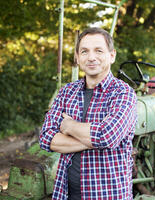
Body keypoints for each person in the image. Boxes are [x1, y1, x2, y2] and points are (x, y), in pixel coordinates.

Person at [39, 27, 137, 200]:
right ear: (77, 57)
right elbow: (46, 138)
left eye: (98, 50)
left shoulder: (123, 93)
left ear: (112, 55)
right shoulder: (66, 92)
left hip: (108, 195)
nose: (91, 57)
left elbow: (107, 136)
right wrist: (94, 138)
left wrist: (69, 126)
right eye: (84, 51)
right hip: (66, 194)